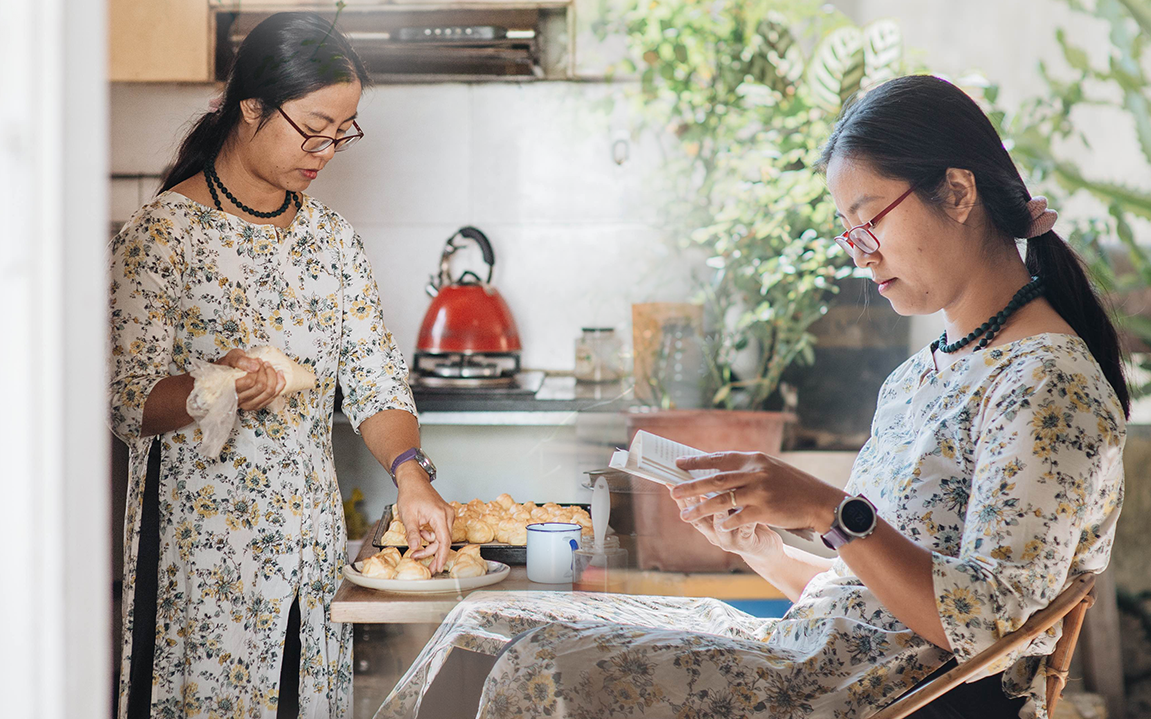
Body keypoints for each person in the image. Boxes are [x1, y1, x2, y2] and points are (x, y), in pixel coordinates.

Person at [373, 74, 1127, 719]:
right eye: (846, 233)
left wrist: (829, 511)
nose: (860, 254)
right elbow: (866, 598)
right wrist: (760, 546)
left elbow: (988, 620)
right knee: (482, 622)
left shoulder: (1044, 382)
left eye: (868, 221)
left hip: (873, 696)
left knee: (534, 666)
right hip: (815, 655)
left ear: (956, 192)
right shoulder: (924, 372)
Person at [107, 13, 454, 719]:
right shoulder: (161, 235)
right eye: (314, 127)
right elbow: (126, 401)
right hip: (199, 567)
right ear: (253, 107)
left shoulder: (333, 242)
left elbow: (375, 380)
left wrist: (413, 478)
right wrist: (214, 384)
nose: (327, 148)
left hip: (308, 557)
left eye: (343, 131)